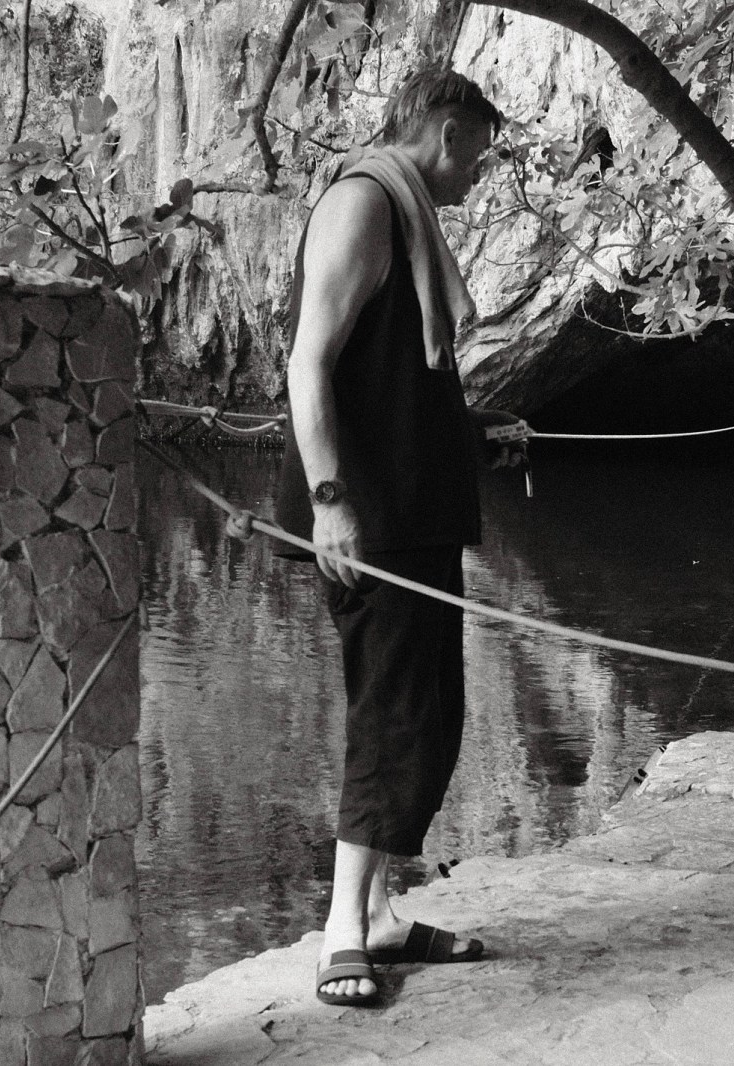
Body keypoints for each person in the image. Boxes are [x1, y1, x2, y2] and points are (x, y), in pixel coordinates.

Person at [275, 67, 522, 1007]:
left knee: (427, 712)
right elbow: (311, 363)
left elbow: (393, 378)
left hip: (411, 514)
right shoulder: (364, 205)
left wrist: (475, 425)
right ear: (449, 131)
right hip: (370, 520)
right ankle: (344, 928)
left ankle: (378, 914)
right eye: (481, 154)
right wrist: (332, 501)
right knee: (390, 709)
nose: (478, 176)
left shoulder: (402, 210)